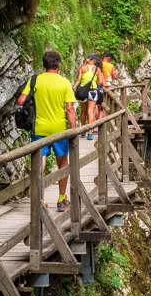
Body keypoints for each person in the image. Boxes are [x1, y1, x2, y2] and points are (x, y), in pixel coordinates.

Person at [18, 50, 77, 212]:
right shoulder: (64, 83)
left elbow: (21, 100)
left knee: (40, 163)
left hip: (39, 128)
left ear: (44, 64)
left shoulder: (34, 80)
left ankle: (40, 200)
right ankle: (61, 199)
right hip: (59, 130)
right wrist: (73, 130)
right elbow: (70, 109)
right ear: (58, 65)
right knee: (62, 162)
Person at [74, 53, 105, 138]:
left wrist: (74, 87)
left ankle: (83, 131)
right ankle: (90, 133)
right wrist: (95, 83)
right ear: (94, 60)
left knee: (83, 111)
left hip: (83, 91)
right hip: (93, 91)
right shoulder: (97, 69)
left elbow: (79, 79)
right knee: (91, 111)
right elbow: (100, 82)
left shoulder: (82, 68)